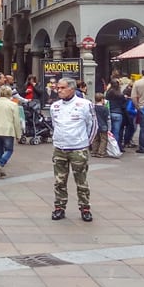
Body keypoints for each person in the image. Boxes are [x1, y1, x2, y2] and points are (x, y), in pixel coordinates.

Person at [49, 77, 97, 222]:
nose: (59, 90)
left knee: (81, 181)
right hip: (60, 148)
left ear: (72, 88)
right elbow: (54, 124)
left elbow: (93, 125)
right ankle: (59, 207)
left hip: (78, 149)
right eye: (58, 88)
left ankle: (85, 208)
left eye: (62, 88)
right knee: (59, 181)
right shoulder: (55, 106)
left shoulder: (85, 104)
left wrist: (85, 143)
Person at [0, 85, 22, 177]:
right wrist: (19, 134)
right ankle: (1, 164)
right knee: (9, 150)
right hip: (8, 130)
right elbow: (16, 121)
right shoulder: (13, 104)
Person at [105, 78, 126, 151]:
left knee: (109, 131)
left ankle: (108, 147)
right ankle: (116, 148)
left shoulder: (108, 93)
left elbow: (106, 102)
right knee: (116, 132)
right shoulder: (120, 94)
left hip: (110, 112)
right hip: (118, 113)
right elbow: (124, 104)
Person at [91, 93, 110, 157]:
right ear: (102, 100)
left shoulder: (93, 107)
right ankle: (101, 152)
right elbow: (107, 118)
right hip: (103, 125)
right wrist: (109, 128)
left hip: (95, 125)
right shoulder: (105, 108)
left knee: (95, 138)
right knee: (103, 139)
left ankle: (94, 151)